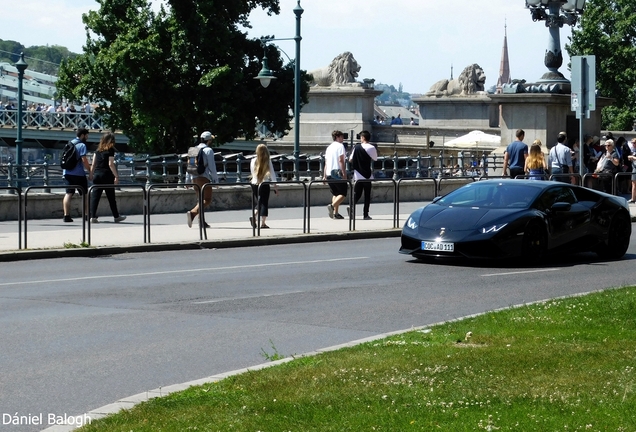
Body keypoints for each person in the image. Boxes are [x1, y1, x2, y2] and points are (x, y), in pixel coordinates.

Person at [88, 132, 126, 223]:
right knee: (111, 197)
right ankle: (116, 216)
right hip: (107, 175)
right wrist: (116, 176)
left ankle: (92, 217)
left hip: (97, 175)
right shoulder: (110, 150)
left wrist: (91, 174)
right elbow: (110, 164)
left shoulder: (97, 151)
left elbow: (93, 164)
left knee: (95, 197)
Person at [186, 131, 218, 228]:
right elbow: (212, 167)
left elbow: (189, 166)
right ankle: (192, 213)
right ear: (209, 140)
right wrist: (215, 180)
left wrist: (187, 181)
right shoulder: (208, 150)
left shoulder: (193, 150)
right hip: (203, 177)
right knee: (207, 200)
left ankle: (201, 222)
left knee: (200, 200)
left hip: (194, 177)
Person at [62, 128, 91, 222]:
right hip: (78, 174)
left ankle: (66, 215)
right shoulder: (82, 145)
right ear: (82, 135)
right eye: (87, 135)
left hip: (67, 172)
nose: (87, 137)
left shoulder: (69, 143)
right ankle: (86, 215)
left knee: (68, 193)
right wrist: (90, 170)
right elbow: (84, 160)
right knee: (84, 194)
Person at [349, 130, 378, 220]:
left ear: (363, 138)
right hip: (367, 175)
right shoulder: (371, 147)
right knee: (367, 195)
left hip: (357, 175)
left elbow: (350, 159)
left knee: (357, 194)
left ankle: (352, 207)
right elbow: (375, 159)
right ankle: (365, 214)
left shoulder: (356, 147)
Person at [249, 144, 278, 229]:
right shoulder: (268, 161)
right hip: (264, 184)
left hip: (254, 184)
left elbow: (252, 173)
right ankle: (263, 223)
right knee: (264, 203)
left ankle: (254, 216)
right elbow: (272, 175)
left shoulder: (253, 160)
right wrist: (275, 187)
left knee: (259, 202)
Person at [323, 130, 348, 219]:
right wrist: (344, 173)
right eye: (342, 137)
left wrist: (324, 175)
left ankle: (335, 213)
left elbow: (326, 162)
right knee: (343, 193)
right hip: (337, 173)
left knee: (336, 193)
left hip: (329, 172)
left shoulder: (329, 147)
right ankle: (332, 206)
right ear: (338, 137)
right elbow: (341, 160)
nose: (343, 139)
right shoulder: (340, 146)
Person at [627, 138, 636, 203]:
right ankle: (633, 198)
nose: (633, 144)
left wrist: (632, 157)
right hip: (634, 168)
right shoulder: (633, 150)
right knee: (633, 184)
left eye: (634, 143)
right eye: (632, 143)